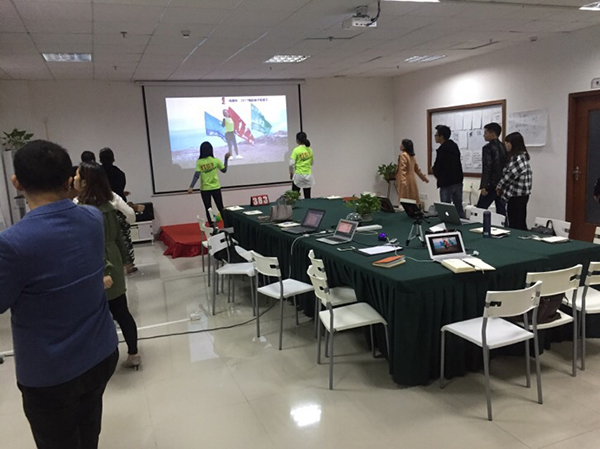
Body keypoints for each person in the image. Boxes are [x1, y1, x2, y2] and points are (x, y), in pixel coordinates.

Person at [0, 140, 118, 449]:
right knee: (88, 434)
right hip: (99, 352)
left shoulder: (12, 242)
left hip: (52, 373)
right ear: (69, 180)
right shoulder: (92, 219)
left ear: (17, 182)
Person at [75, 162, 141, 370]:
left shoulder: (81, 209)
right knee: (121, 309)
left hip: (96, 260)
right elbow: (119, 236)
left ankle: (102, 356)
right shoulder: (109, 205)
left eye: (77, 175)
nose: (73, 178)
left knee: (97, 314)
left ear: (84, 182)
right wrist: (125, 260)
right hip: (113, 257)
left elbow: (88, 243)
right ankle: (133, 353)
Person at [187, 141, 230, 225]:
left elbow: (196, 175)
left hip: (205, 189)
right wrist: (226, 159)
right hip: (216, 187)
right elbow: (224, 170)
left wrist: (191, 186)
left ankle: (212, 226)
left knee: (208, 208)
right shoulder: (215, 160)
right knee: (220, 207)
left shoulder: (199, 162)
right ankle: (227, 225)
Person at [496, 132, 532, 231]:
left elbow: (511, 175)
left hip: (517, 195)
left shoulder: (518, 158)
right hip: (518, 194)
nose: (505, 145)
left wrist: (499, 186)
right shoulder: (519, 156)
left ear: (513, 144)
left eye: (507, 143)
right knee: (516, 221)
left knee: (516, 223)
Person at [432, 125, 465, 217]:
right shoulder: (454, 146)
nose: (435, 137)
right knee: (458, 206)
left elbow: (438, 166)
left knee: (446, 208)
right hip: (457, 180)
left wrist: (433, 170)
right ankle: (462, 222)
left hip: (446, 182)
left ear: (441, 136)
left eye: (436, 135)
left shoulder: (442, 149)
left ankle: (448, 224)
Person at [477, 122, 507, 215]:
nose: (484, 135)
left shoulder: (487, 148)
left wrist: (484, 186)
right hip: (502, 184)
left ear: (492, 133)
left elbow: (487, 167)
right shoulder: (504, 146)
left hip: (491, 184)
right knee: (501, 211)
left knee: (479, 210)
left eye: (485, 133)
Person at [395, 139, 429, 205]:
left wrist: (403, 182)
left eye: (402, 144)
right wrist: (424, 178)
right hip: (412, 181)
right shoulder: (412, 157)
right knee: (413, 202)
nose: (400, 146)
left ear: (404, 147)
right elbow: (417, 170)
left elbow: (403, 170)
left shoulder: (403, 155)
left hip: (405, 181)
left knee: (405, 202)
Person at [289, 131, 315, 199]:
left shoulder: (296, 150)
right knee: (308, 197)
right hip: (308, 176)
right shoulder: (310, 150)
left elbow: (291, 164)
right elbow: (312, 162)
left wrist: (291, 173)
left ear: (297, 140)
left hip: (298, 176)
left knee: (294, 197)